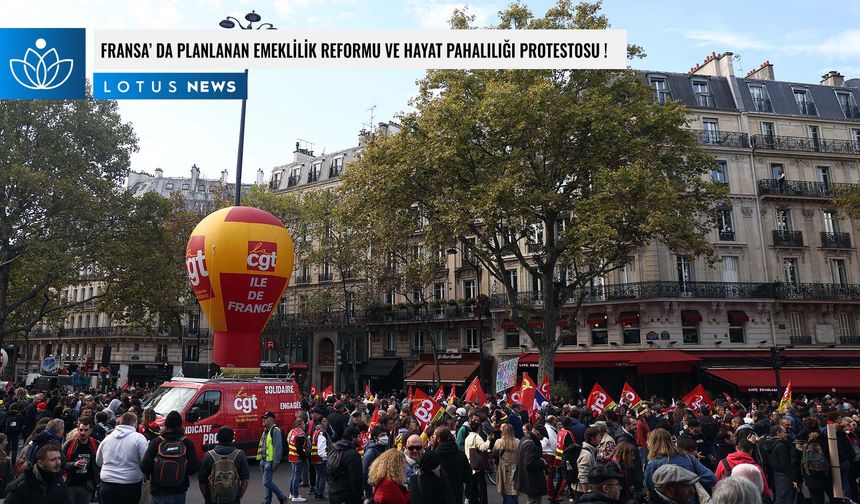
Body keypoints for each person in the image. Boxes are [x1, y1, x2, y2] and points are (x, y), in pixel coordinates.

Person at [140, 410, 201, 504]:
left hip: (158, 490)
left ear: (165, 424)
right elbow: (193, 468)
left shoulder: (156, 442)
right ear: (181, 425)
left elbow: (145, 467)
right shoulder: (186, 442)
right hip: (179, 490)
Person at [643, 429, 715, 500]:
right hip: (689, 499)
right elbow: (711, 478)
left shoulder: (653, 464)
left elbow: (648, 486)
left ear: (652, 444)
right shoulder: (688, 457)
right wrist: (692, 481)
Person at [96, 411, 149, 504]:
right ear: (134, 423)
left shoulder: (107, 439)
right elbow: (145, 462)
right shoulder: (139, 438)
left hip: (107, 483)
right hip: (130, 484)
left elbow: (98, 461)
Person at [198, 427, 250, 504]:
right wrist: (238, 496)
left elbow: (202, 481)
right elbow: (245, 479)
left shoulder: (209, 455)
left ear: (217, 438)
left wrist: (208, 498)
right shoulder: (240, 454)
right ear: (232, 438)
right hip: (233, 499)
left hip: (213, 499)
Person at [4, 445, 70, 504]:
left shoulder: (58, 480)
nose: (58, 462)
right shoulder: (24, 485)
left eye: (59, 458)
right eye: (53, 460)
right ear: (40, 463)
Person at [62, 417, 100, 504]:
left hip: (87, 486)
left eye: (86, 430)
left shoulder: (96, 444)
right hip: (70, 484)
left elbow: (100, 464)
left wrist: (97, 482)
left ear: (90, 431)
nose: (83, 433)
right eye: (81, 430)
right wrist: (73, 464)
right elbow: (61, 463)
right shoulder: (69, 444)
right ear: (78, 429)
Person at [433, 427, 470, 504]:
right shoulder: (460, 454)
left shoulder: (434, 456)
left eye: (433, 436)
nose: (432, 438)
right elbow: (467, 476)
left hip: (439, 494)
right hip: (457, 494)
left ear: (438, 439)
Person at [327, 426, 363, 504]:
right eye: (358, 436)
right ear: (353, 438)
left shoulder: (335, 449)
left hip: (333, 492)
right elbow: (356, 479)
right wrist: (359, 497)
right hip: (347, 495)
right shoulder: (352, 454)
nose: (360, 439)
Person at [258, 411, 287, 504]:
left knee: (266, 482)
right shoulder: (266, 430)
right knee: (268, 483)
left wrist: (276, 462)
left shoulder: (275, 430)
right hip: (263, 460)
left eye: (265, 418)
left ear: (270, 419)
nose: (263, 420)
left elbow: (278, 447)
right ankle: (267, 501)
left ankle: (282, 497)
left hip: (269, 461)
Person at [515, 424, 548, 504]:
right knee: (533, 501)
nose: (542, 438)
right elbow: (529, 463)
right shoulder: (530, 444)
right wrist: (542, 463)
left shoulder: (524, 439)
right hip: (531, 480)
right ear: (538, 433)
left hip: (527, 478)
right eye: (542, 436)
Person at [464, 420, 491, 504]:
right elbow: (483, 447)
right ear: (479, 428)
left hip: (470, 463)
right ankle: (483, 501)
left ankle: (473, 501)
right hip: (478, 464)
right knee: (482, 486)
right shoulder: (477, 437)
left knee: (472, 485)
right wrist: (488, 440)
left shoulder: (467, 437)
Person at [492, 424, 519, 504]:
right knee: (513, 490)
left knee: (505, 489)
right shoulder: (517, 441)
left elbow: (494, 453)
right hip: (515, 467)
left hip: (503, 467)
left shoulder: (499, 442)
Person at [362, 426, 389, 499]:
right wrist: (368, 491)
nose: (385, 437)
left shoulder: (384, 448)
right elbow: (365, 472)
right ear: (375, 438)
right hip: (373, 488)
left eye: (385, 435)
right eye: (382, 435)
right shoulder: (370, 453)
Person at [286, 417, 309, 503]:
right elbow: (299, 448)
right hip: (297, 458)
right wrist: (304, 457)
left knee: (293, 476)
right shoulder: (300, 434)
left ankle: (292, 493)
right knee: (296, 476)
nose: (305, 425)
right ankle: (295, 495)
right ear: (299, 425)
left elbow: (288, 442)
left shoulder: (292, 431)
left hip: (291, 456)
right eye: (303, 423)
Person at [574, 428, 601, 498]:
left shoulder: (590, 450)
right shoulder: (587, 454)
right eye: (598, 437)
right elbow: (583, 475)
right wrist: (586, 494)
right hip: (582, 491)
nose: (600, 439)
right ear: (592, 438)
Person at [310, 416, 330, 500]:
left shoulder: (316, 431)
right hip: (321, 458)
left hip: (315, 457)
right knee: (323, 476)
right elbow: (321, 448)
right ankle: (320, 494)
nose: (326, 423)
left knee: (319, 475)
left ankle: (317, 492)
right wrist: (325, 457)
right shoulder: (321, 433)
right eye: (324, 421)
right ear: (320, 422)